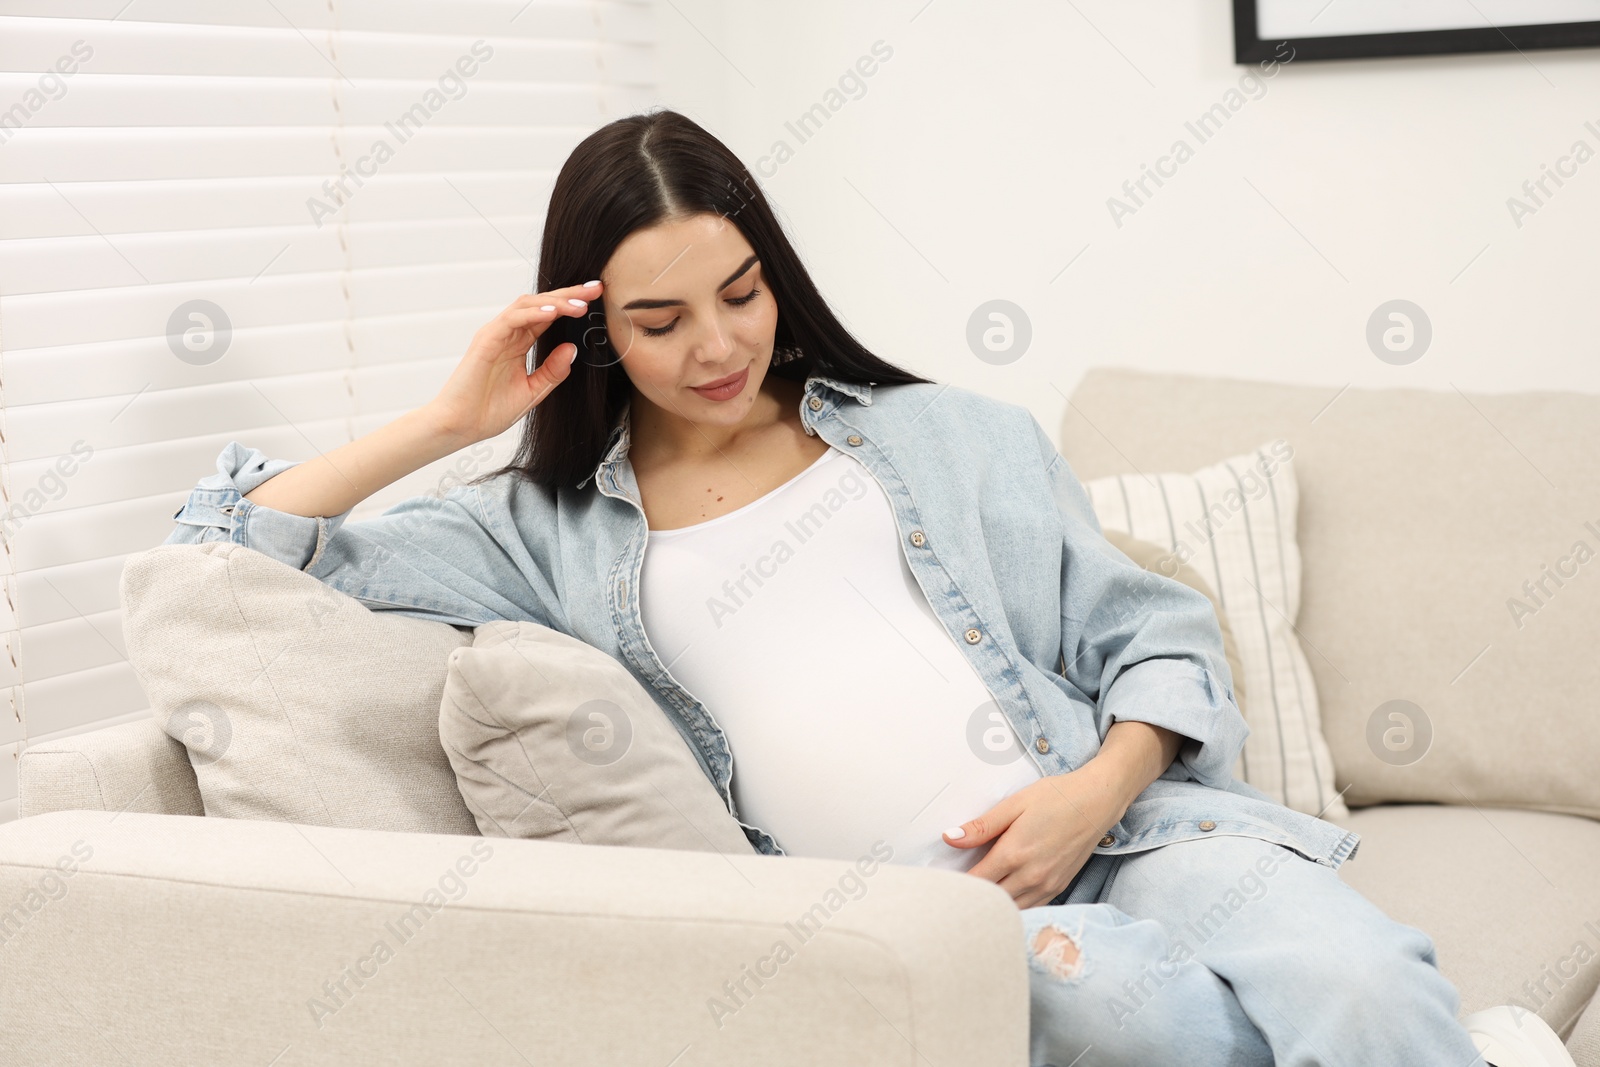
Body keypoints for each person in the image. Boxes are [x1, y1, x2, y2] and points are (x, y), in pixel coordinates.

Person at [165, 108, 1568, 1067]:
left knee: (1365, 984)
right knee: (1143, 1026)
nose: (718, 345)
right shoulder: (530, 531)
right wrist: (449, 422)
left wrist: (1095, 786)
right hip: (931, 918)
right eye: (659, 320)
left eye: (742, 290)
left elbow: (1153, 633)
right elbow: (229, 549)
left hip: (1136, 831)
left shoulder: (948, 437)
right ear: (588, 329)